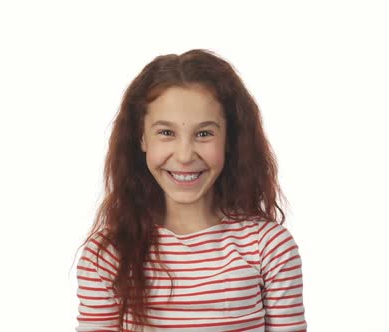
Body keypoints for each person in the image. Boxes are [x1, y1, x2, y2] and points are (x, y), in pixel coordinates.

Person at [75, 49, 308, 332]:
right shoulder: (108, 254)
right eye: (166, 133)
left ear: (229, 140)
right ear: (141, 138)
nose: (185, 155)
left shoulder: (269, 247)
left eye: (204, 133)